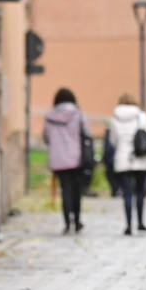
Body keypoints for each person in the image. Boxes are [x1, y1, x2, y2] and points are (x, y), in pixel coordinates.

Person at [107, 92, 146, 235]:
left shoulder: (114, 119)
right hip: (141, 157)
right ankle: (141, 222)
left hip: (123, 158)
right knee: (140, 191)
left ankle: (128, 224)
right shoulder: (142, 116)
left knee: (127, 193)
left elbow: (113, 140)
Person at [42, 87, 92, 234]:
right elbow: (87, 133)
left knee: (65, 191)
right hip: (76, 158)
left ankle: (66, 222)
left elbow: (46, 137)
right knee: (76, 191)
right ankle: (76, 221)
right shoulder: (78, 114)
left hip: (58, 160)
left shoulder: (50, 116)